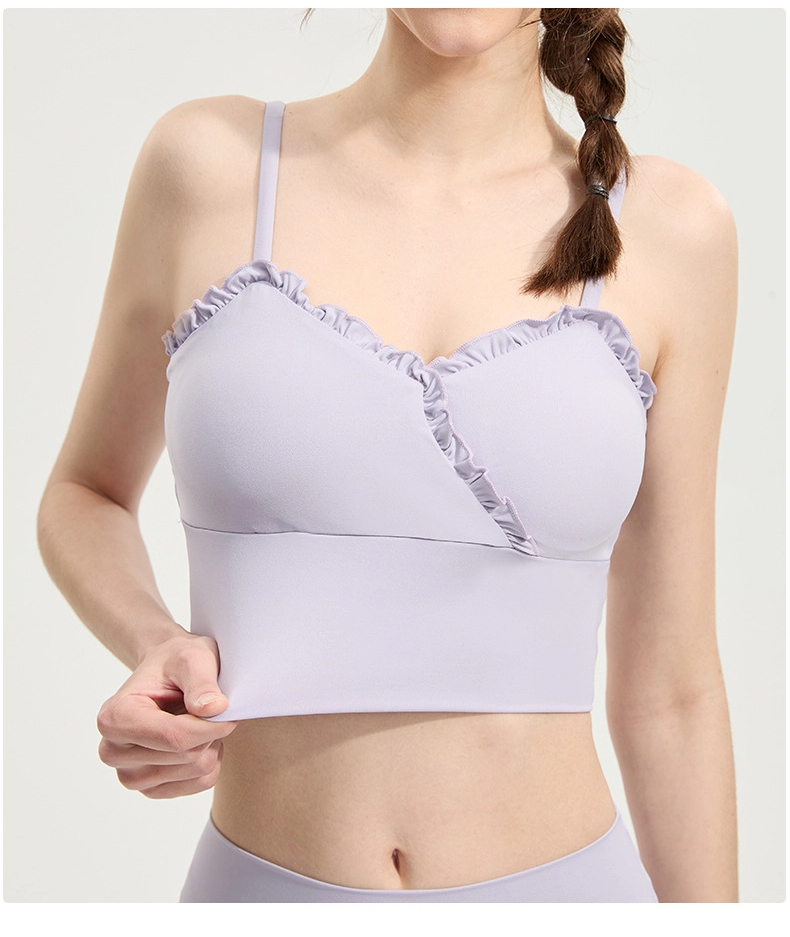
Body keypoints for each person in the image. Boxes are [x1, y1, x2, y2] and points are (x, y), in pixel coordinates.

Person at [36, 8, 738, 902]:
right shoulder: (210, 167)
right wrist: (157, 642)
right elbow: (85, 491)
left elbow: (672, 695)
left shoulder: (674, 230)